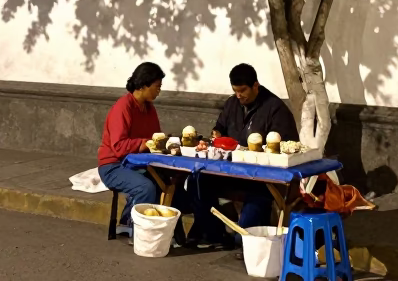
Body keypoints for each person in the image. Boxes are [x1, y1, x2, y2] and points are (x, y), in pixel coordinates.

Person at [192, 63, 300, 248]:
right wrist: (216, 134)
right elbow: (220, 128)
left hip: (261, 178)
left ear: (255, 86)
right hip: (231, 170)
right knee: (199, 180)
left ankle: (240, 237)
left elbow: (283, 146)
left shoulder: (275, 108)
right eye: (235, 91)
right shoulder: (232, 103)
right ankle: (215, 234)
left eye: (242, 90)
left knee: (242, 239)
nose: (238, 95)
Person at [97, 62, 187, 240]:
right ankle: (134, 226)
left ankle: (173, 234)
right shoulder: (122, 107)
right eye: (157, 87)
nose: (158, 91)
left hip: (138, 163)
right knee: (145, 187)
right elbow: (119, 146)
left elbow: (154, 138)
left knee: (172, 183)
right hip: (113, 165)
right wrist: (145, 144)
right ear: (144, 85)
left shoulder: (149, 108)